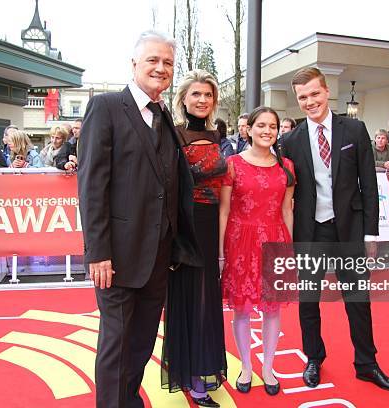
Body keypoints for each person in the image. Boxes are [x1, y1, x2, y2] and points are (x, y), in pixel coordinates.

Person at [77, 30, 200, 408]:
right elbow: (92, 185)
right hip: (116, 256)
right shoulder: (107, 107)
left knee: (143, 341)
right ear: (134, 65)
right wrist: (98, 253)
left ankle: (128, 401)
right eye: (153, 60)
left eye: (167, 63)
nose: (161, 68)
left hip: (159, 257)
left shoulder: (164, 114)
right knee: (116, 343)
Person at [281, 67, 389, 392]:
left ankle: (367, 364)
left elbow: (369, 183)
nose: (310, 102)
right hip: (311, 233)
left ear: (326, 92)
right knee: (309, 301)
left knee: (358, 300)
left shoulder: (353, 129)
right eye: (303, 97)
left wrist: (371, 234)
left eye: (314, 94)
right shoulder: (289, 141)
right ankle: (313, 358)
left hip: (349, 230)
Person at [161, 69, 227, 407]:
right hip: (184, 226)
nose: (202, 100)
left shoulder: (219, 136)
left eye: (208, 95)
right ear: (183, 98)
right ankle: (191, 376)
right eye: (196, 95)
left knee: (206, 301)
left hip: (212, 223)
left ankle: (200, 369)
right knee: (187, 299)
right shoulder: (173, 134)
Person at [220, 106, 295, 397]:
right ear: (248, 129)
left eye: (272, 126)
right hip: (240, 241)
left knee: (272, 308)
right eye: (261, 125)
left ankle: (268, 368)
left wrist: (291, 248)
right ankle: (247, 367)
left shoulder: (286, 165)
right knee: (242, 308)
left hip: (275, 240)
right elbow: (224, 210)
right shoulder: (233, 163)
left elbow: (287, 209)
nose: (267, 131)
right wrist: (220, 252)